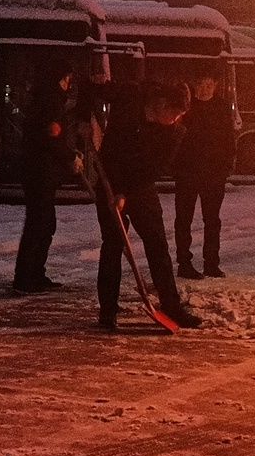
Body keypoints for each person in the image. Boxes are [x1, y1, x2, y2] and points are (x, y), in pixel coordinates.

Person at [91, 77, 202, 330]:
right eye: (173, 114)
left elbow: (152, 170)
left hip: (141, 189)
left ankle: (171, 306)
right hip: (109, 182)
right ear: (161, 104)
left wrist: (126, 193)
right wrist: (80, 121)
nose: (175, 120)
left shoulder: (174, 132)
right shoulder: (129, 98)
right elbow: (92, 89)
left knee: (157, 245)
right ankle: (108, 311)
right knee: (112, 245)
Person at [12, 64, 77, 293]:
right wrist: (71, 157)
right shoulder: (51, 101)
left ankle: (35, 274)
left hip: (40, 171)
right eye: (68, 77)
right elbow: (52, 136)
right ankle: (25, 278)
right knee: (38, 224)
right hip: (40, 171)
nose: (69, 82)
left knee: (45, 224)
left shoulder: (46, 99)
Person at [174, 70, 236, 279]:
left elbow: (229, 139)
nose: (204, 88)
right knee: (184, 219)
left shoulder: (222, 108)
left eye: (208, 84)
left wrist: (225, 167)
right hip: (188, 171)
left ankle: (211, 263)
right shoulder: (187, 108)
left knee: (212, 220)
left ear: (215, 85)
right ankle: (184, 263)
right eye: (200, 83)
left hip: (213, 173)